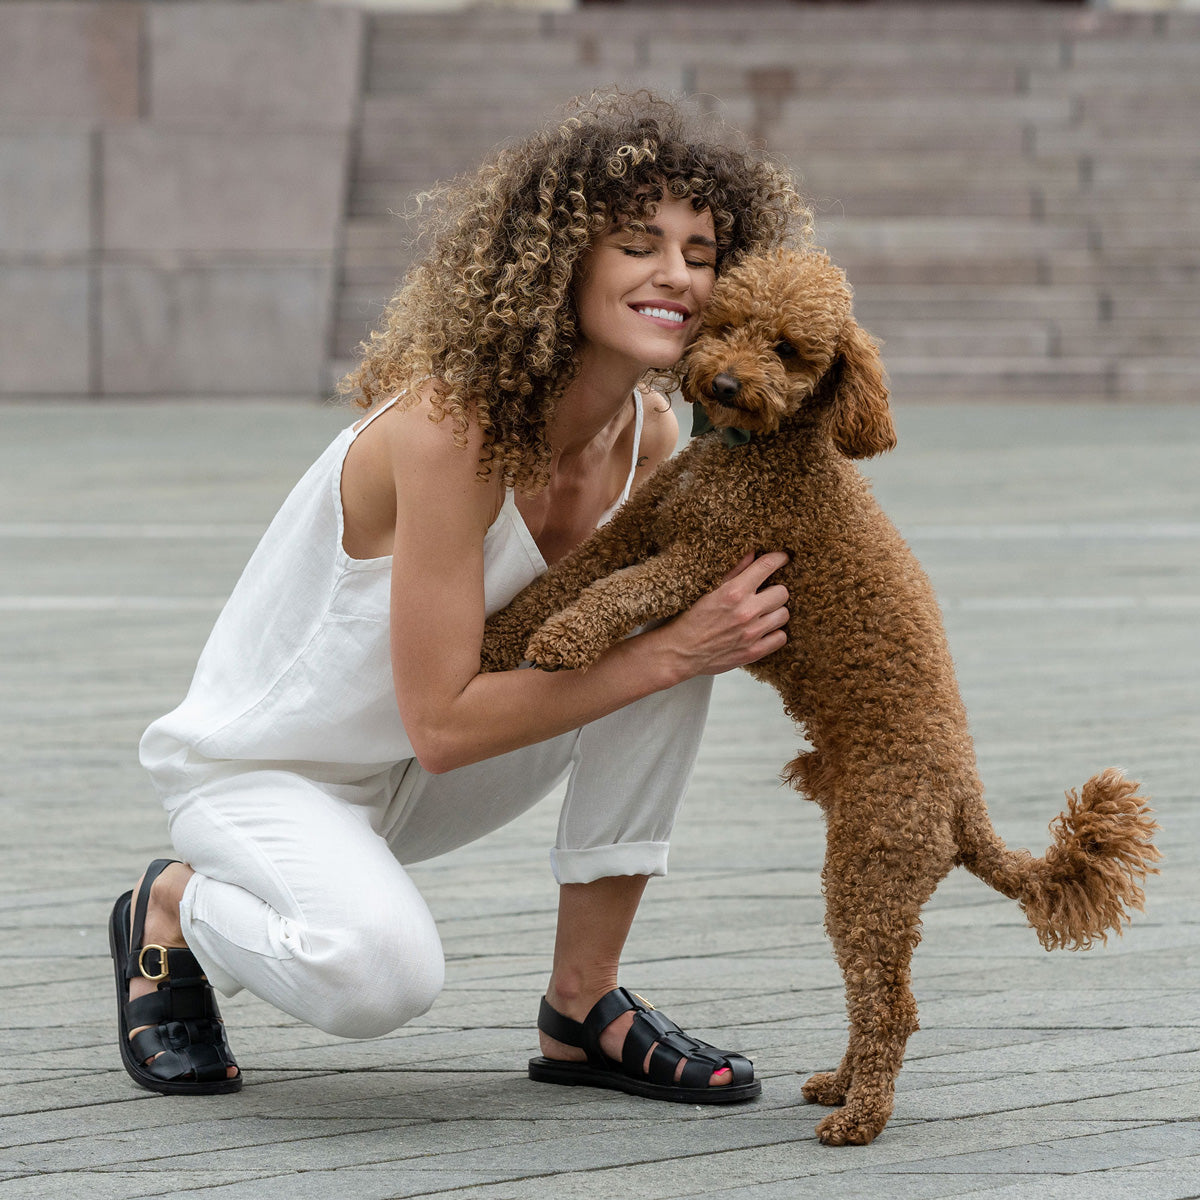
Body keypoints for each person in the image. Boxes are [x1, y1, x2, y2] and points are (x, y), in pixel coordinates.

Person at [110, 90, 809, 1104]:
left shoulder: (651, 440)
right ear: (562, 258)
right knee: (379, 979)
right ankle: (174, 904)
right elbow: (440, 722)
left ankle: (584, 1005)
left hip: (423, 777)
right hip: (273, 781)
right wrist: (676, 651)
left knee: (671, 604)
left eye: (702, 254)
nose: (677, 276)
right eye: (639, 245)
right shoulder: (452, 427)